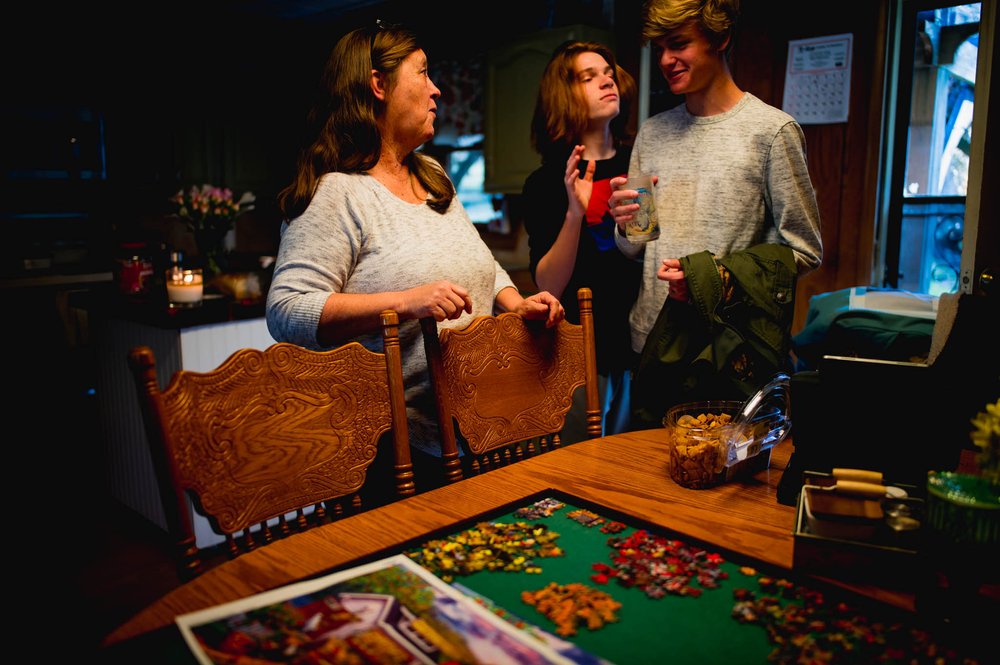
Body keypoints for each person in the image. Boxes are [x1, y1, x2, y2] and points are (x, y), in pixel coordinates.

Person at [266, 22, 565, 488]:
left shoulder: (432, 175)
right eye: (423, 73)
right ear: (379, 85)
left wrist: (515, 303)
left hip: (483, 428)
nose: (437, 90)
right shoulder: (338, 194)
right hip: (399, 452)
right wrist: (406, 302)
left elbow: (484, 263)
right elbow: (286, 309)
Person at [609, 0, 824, 424]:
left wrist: (714, 279)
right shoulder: (653, 132)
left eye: (679, 44)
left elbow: (804, 249)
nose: (666, 59)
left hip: (726, 347)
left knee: (715, 483)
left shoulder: (772, 131)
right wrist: (625, 224)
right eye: (660, 48)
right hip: (651, 339)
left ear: (721, 38)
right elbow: (637, 245)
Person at [521, 40, 641, 438]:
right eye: (589, 78)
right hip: (577, 355)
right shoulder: (545, 182)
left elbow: (651, 250)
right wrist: (575, 213)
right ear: (564, 96)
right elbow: (548, 286)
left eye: (608, 73)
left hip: (642, 349)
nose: (607, 81)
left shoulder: (640, 161)